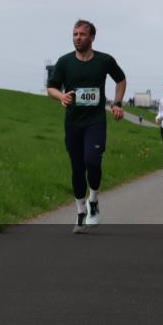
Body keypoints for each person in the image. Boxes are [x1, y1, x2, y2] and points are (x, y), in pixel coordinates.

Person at [47, 20, 127, 233]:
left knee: (92, 161)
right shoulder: (64, 62)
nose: (78, 38)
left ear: (92, 37)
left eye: (82, 34)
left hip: (95, 121)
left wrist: (117, 103)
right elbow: (51, 88)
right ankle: (81, 211)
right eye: (75, 34)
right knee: (77, 168)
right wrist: (61, 96)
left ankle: (93, 201)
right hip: (73, 123)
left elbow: (121, 79)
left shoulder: (104, 60)